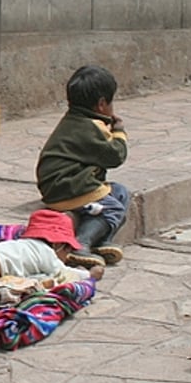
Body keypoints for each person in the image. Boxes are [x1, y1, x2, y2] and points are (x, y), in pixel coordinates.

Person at [35, 64, 130, 268]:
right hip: (68, 186)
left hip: (69, 183)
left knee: (121, 192)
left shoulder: (77, 120)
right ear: (102, 104)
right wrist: (119, 132)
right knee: (114, 208)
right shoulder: (90, 127)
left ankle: (102, 242)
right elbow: (115, 156)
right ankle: (82, 244)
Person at [0, 209, 104, 297]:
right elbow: (61, 272)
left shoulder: (24, 245)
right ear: (58, 244)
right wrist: (89, 275)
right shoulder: (48, 254)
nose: (67, 257)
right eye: (68, 250)